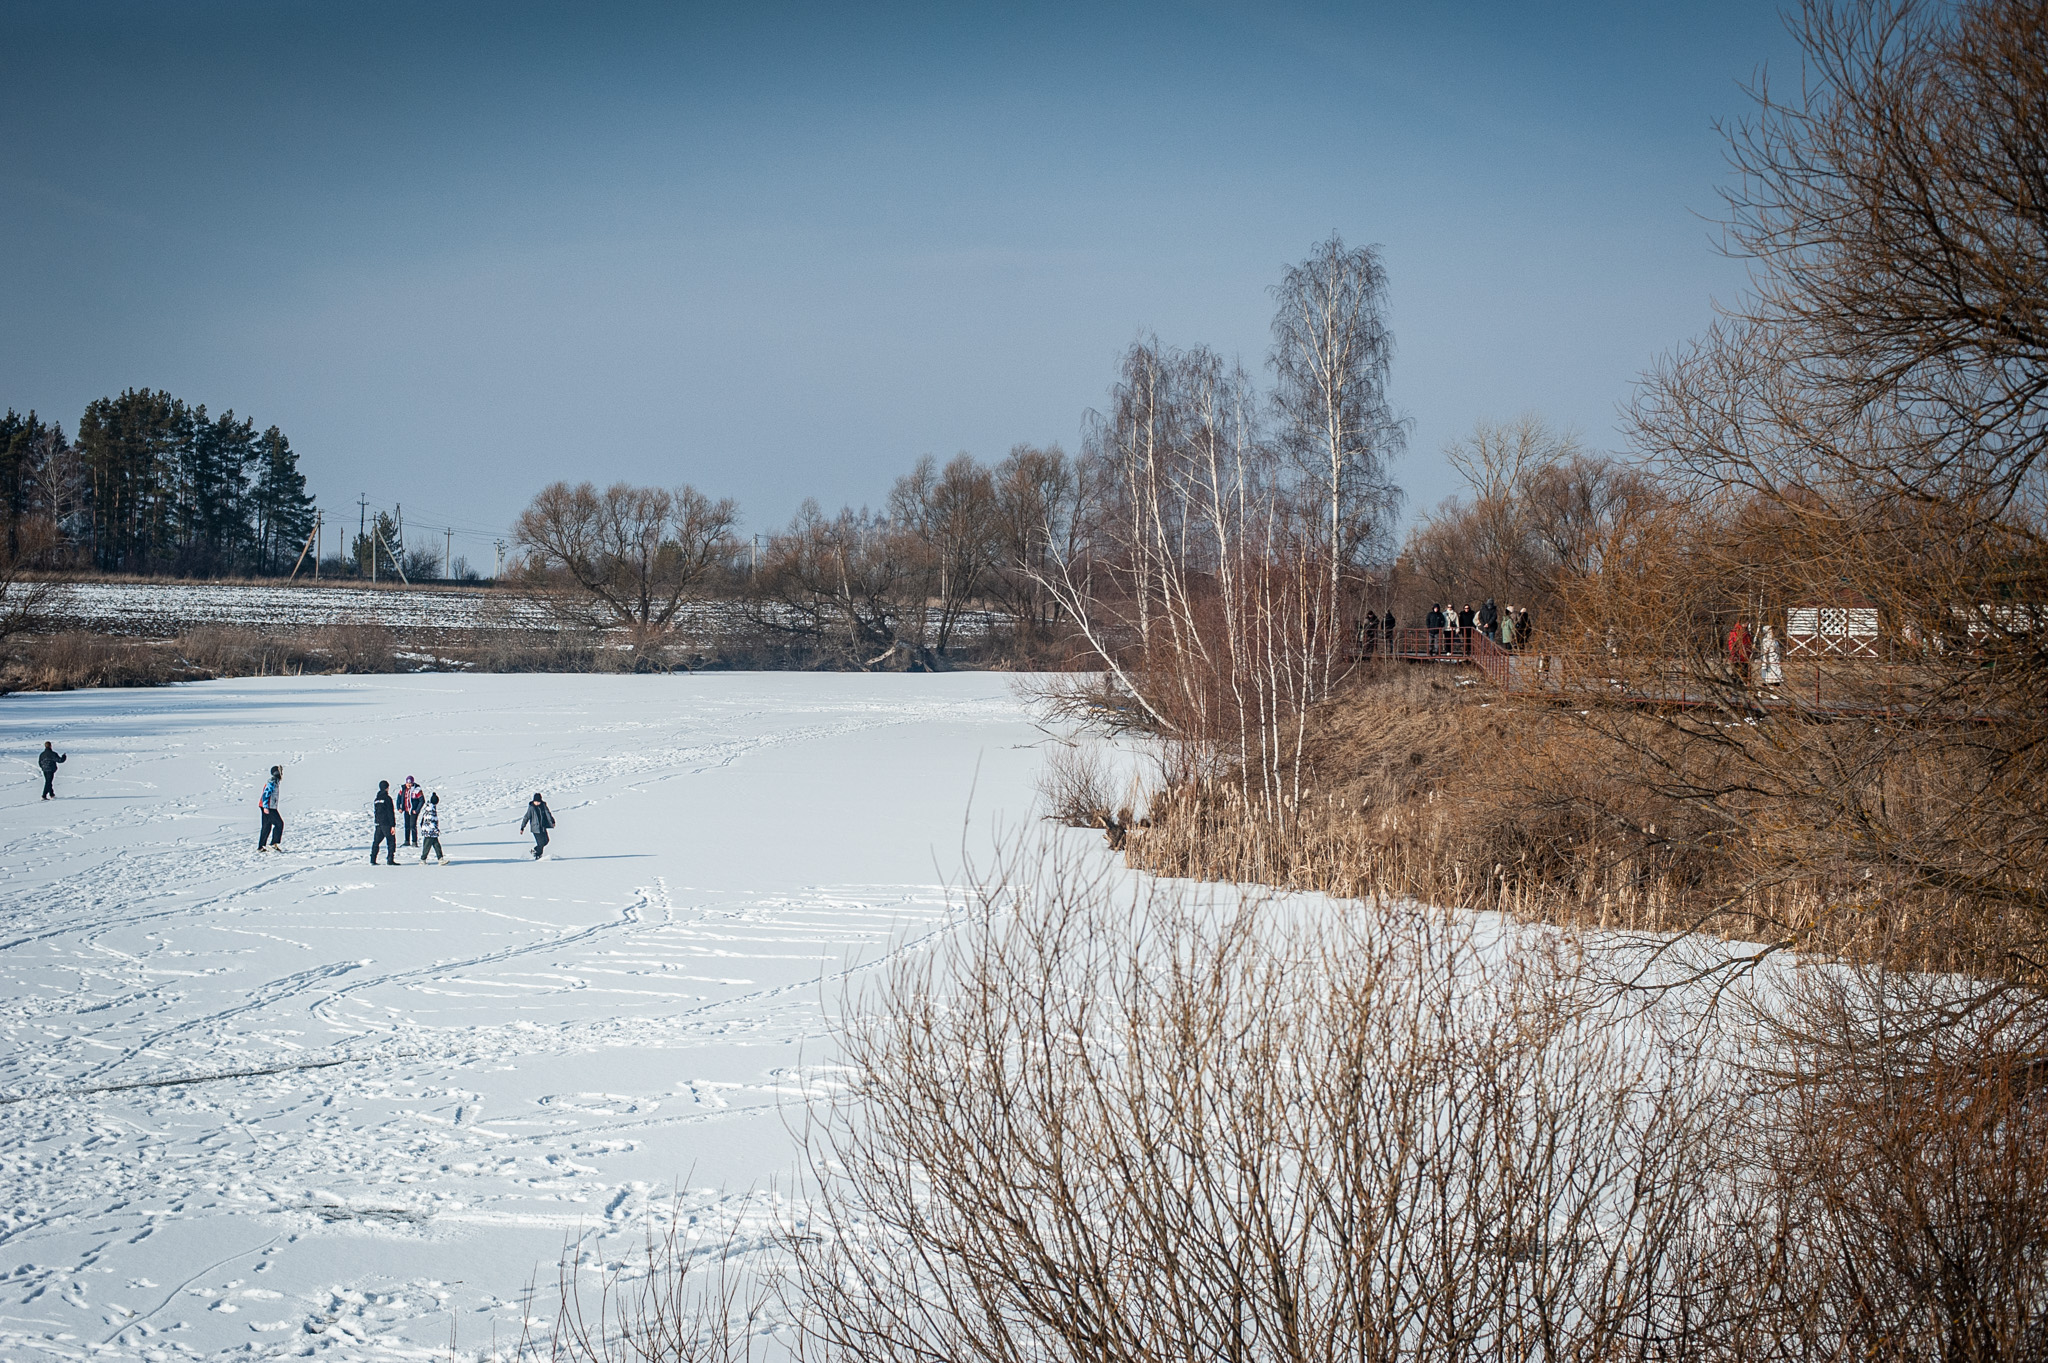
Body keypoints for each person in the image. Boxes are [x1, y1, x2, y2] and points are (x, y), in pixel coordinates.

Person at [257, 765, 285, 852]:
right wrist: (265, 807)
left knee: (266, 826)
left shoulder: (275, 782)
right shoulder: (272, 782)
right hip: (268, 807)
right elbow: (266, 794)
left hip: (268, 806)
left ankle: (261, 846)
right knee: (279, 824)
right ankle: (273, 844)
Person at [520, 792, 555, 860]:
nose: (537, 803)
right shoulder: (531, 808)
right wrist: (522, 827)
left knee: (546, 841)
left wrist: (552, 821)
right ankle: (538, 855)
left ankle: (534, 851)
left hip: (543, 827)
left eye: (538, 801)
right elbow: (526, 817)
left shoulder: (543, 806)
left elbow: (548, 814)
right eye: (536, 801)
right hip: (535, 828)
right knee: (541, 843)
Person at [371, 780, 398, 864]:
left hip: (378, 823)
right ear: (387, 788)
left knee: (376, 842)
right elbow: (390, 812)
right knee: (391, 841)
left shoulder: (377, 799)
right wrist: (393, 825)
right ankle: (390, 859)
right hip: (386, 823)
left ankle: (373, 859)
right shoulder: (387, 799)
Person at [419, 792, 446, 863]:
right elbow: (430, 821)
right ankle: (423, 859)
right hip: (429, 831)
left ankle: (440, 859)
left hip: (430, 831)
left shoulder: (429, 808)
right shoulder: (431, 809)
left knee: (437, 845)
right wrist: (435, 829)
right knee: (427, 846)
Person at [398, 776, 424, 846]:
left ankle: (414, 841)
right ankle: (407, 841)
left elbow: (422, 800)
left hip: (413, 811)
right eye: (407, 783)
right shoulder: (403, 789)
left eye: (410, 783)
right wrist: (399, 807)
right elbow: (399, 799)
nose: (409, 785)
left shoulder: (417, 790)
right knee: (407, 826)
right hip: (406, 810)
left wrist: (417, 810)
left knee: (412, 825)